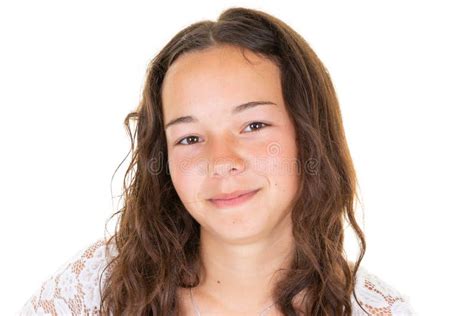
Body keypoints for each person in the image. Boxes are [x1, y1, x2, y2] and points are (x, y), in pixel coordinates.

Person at [18, 6, 414, 316]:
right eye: (190, 138)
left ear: (309, 136)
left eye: (254, 125)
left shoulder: (375, 309)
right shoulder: (94, 289)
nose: (220, 161)